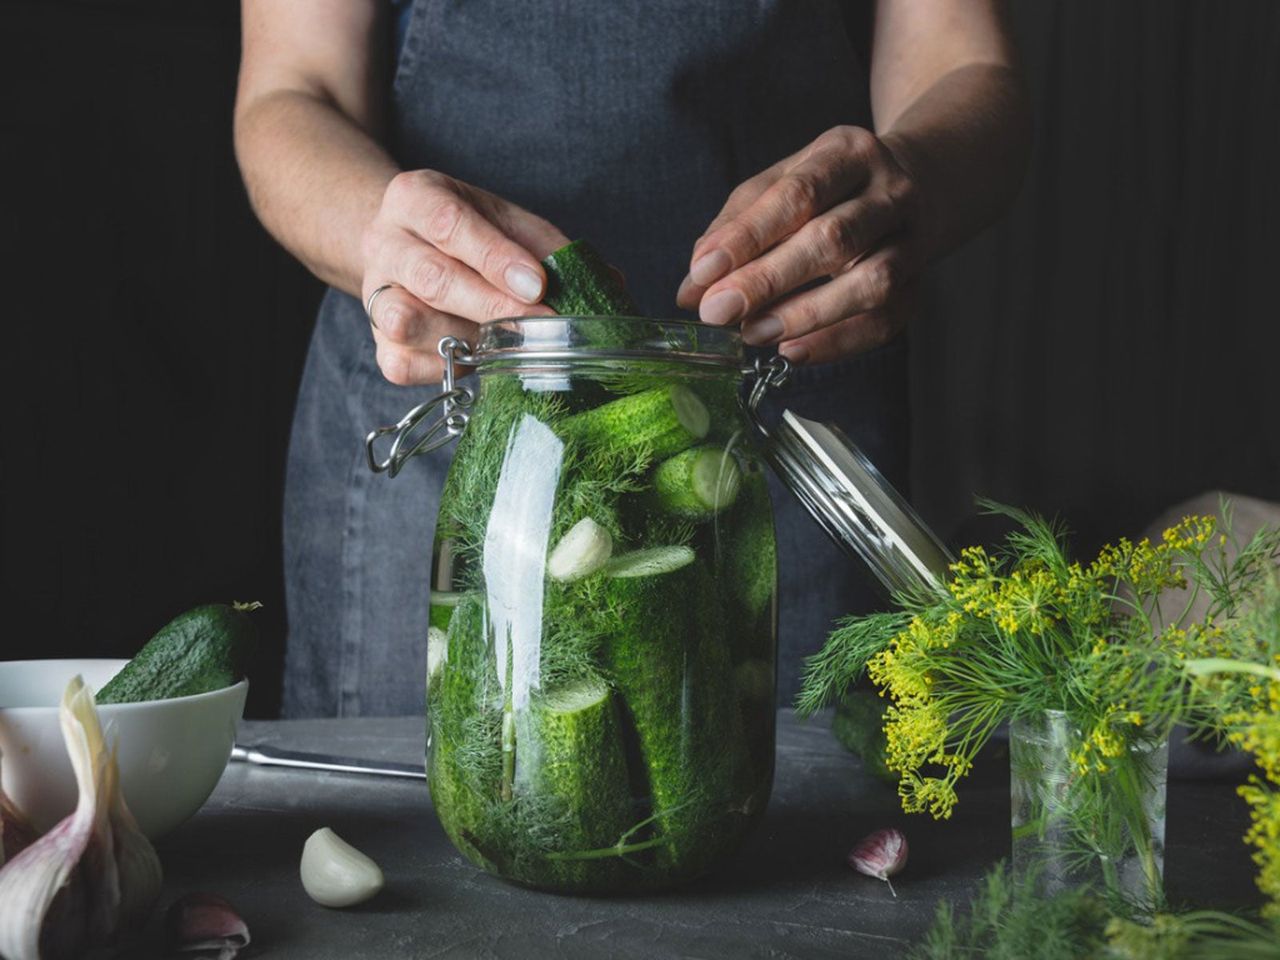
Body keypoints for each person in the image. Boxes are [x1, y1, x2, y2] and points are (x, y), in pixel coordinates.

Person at [234, 0, 1029, 717]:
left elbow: (964, 60)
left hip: (775, 420)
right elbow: (293, 90)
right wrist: (387, 235)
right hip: (463, 407)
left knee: (796, 837)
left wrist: (911, 182)